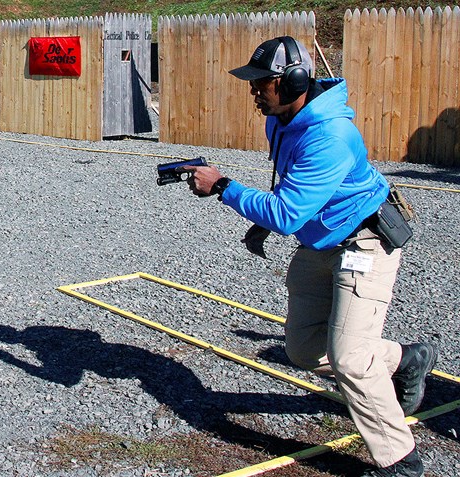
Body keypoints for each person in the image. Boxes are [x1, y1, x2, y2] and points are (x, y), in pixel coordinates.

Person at [184, 36, 438, 477]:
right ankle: (404, 360)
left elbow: (286, 212)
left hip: (364, 243)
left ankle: (401, 461)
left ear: (292, 82)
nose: (254, 91)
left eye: (261, 83)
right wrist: (264, 218)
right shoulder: (281, 121)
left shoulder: (331, 136)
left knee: (352, 359)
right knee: (303, 349)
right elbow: (291, 192)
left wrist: (224, 187)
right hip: (320, 241)